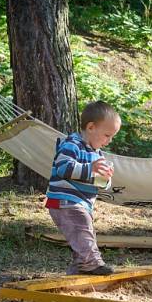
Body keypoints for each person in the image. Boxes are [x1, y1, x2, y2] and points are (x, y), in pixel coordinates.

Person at [45, 101, 121, 275]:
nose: (109, 141)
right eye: (107, 135)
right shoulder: (72, 144)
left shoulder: (97, 153)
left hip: (82, 203)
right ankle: (92, 263)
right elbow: (63, 168)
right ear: (91, 127)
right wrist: (91, 168)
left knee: (84, 234)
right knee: (82, 230)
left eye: (112, 137)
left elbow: (98, 182)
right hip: (65, 200)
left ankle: (79, 269)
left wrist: (105, 179)